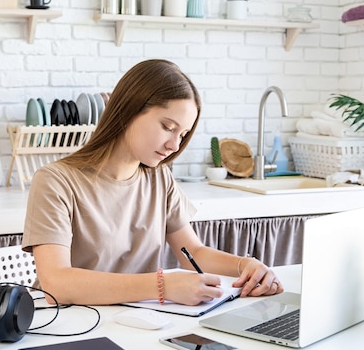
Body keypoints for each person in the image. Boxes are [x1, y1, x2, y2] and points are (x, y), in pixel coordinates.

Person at [22, 59, 283, 306]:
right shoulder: (56, 181)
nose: (174, 145)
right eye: (168, 127)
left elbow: (193, 252)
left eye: (182, 134)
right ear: (128, 111)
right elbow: (57, 283)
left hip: (136, 322)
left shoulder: (159, 177)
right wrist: (162, 286)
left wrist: (246, 266)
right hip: (68, 326)